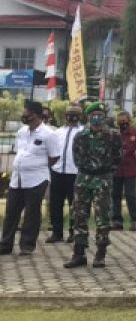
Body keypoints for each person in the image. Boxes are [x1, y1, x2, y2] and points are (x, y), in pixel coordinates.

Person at [63, 101, 122, 269]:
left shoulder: (113, 135)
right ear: (88, 117)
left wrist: (105, 171)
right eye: (93, 116)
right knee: (79, 216)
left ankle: (100, 253)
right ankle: (79, 253)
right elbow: (76, 158)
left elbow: (118, 158)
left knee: (102, 217)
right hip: (83, 179)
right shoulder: (80, 136)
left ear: (104, 117)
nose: (96, 119)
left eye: (100, 116)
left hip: (103, 179)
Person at [1, 101, 58, 256]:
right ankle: (5, 245)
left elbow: (54, 157)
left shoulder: (48, 134)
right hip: (17, 179)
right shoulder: (22, 132)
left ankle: (27, 246)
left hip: (37, 179)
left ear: (36, 115)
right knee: (11, 212)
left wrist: (37, 165)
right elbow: (20, 151)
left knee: (32, 213)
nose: (24, 115)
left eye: (27, 112)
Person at [45, 102, 83, 244]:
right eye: (69, 114)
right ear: (65, 116)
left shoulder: (83, 132)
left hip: (75, 173)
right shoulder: (57, 132)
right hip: (57, 171)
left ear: (79, 116)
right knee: (56, 203)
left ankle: (74, 232)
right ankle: (57, 232)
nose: (71, 117)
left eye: (74, 115)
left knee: (75, 204)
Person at [111, 111, 136, 232]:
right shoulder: (114, 134)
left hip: (131, 170)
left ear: (129, 120)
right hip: (116, 170)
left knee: (131, 195)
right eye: (120, 121)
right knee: (115, 195)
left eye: (125, 121)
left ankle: (135, 221)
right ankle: (116, 221)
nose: (123, 123)